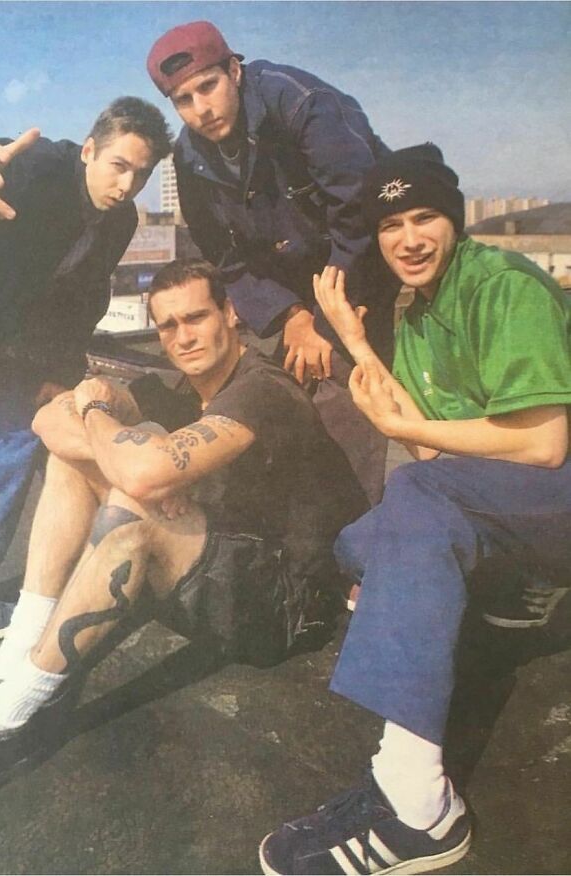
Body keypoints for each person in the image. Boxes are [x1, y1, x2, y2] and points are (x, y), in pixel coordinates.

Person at [0, 257, 367, 830]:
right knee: (80, 462)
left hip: (282, 608)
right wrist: (113, 425)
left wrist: (126, 443)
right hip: (222, 569)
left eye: (197, 318)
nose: (183, 337)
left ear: (231, 315)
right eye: (167, 326)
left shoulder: (262, 390)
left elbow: (137, 470)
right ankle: (10, 674)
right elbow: (47, 426)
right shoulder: (177, 389)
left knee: (135, 513)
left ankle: (0, 726)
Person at [258, 144, 571, 875]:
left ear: (454, 219)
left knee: (415, 500)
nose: (408, 238)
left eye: (424, 216)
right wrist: (358, 340)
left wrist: (406, 434)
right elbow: (436, 450)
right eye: (391, 224)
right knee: (359, 545)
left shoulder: (502, 287)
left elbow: (546, 443)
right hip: (516, 506)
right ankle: (518, 590)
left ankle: (419, 805)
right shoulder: (424, 314)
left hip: (559, 487)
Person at [0, 98, 172, 641]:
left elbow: (82, 297)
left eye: (141, 173)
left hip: (4, 333)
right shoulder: (41, 167)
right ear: (89, 151)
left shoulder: (121, 219)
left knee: (35, 435)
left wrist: (60, 370)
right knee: (3, 448)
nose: (127, 184)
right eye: (118, 165)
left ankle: (81, 564)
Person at [146, 20, 400, 507]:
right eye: (183, 100)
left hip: (361, 266)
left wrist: (324, 322)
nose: (201, 109)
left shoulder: (302, 104)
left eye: (208, 86)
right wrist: (291, 316)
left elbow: (363, 216)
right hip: (287, 288)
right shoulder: (189, 155)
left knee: (343, 386)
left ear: (234, 71)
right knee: (265, 385)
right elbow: (225, 258)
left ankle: (354, 553)